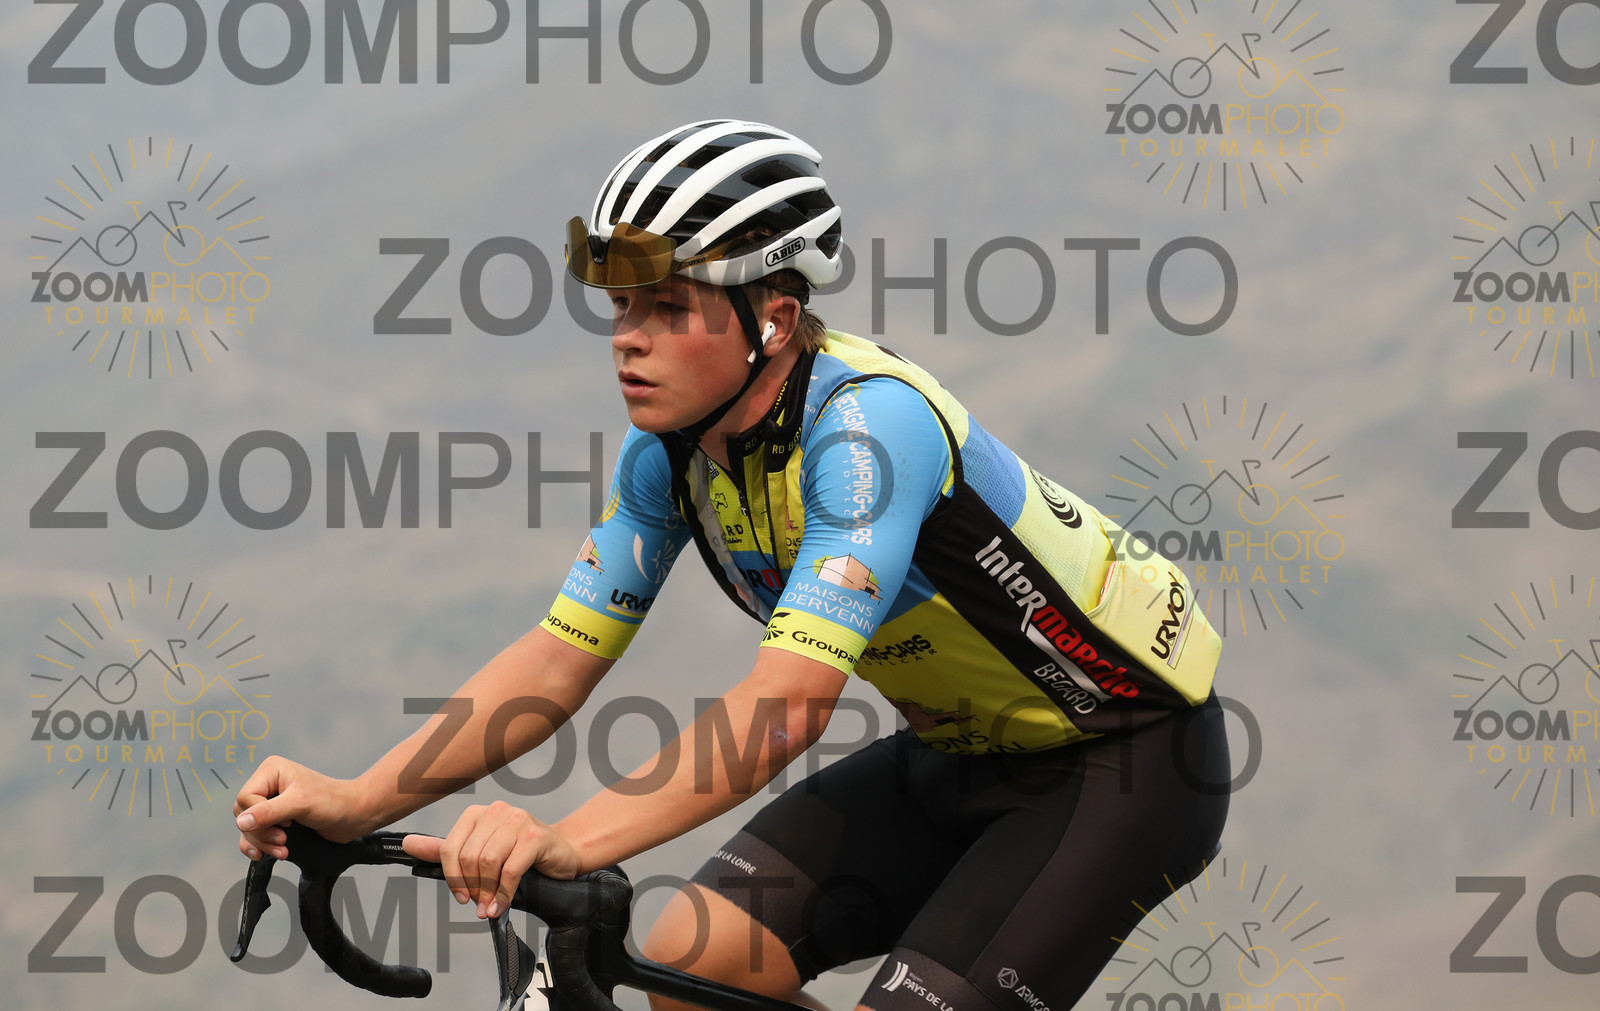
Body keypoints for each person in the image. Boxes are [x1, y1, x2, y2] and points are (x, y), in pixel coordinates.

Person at [235, 119, 1230, 1011]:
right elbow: (554, 660)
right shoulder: (667, 458)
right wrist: (361, 799)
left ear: (777, 320)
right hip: (959, 754)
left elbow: (784, 708)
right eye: (621, 305)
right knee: (691, 967)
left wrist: (570, 839)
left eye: (669, 307)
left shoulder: (869, 432)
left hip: (1121, 764)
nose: (629, 339)